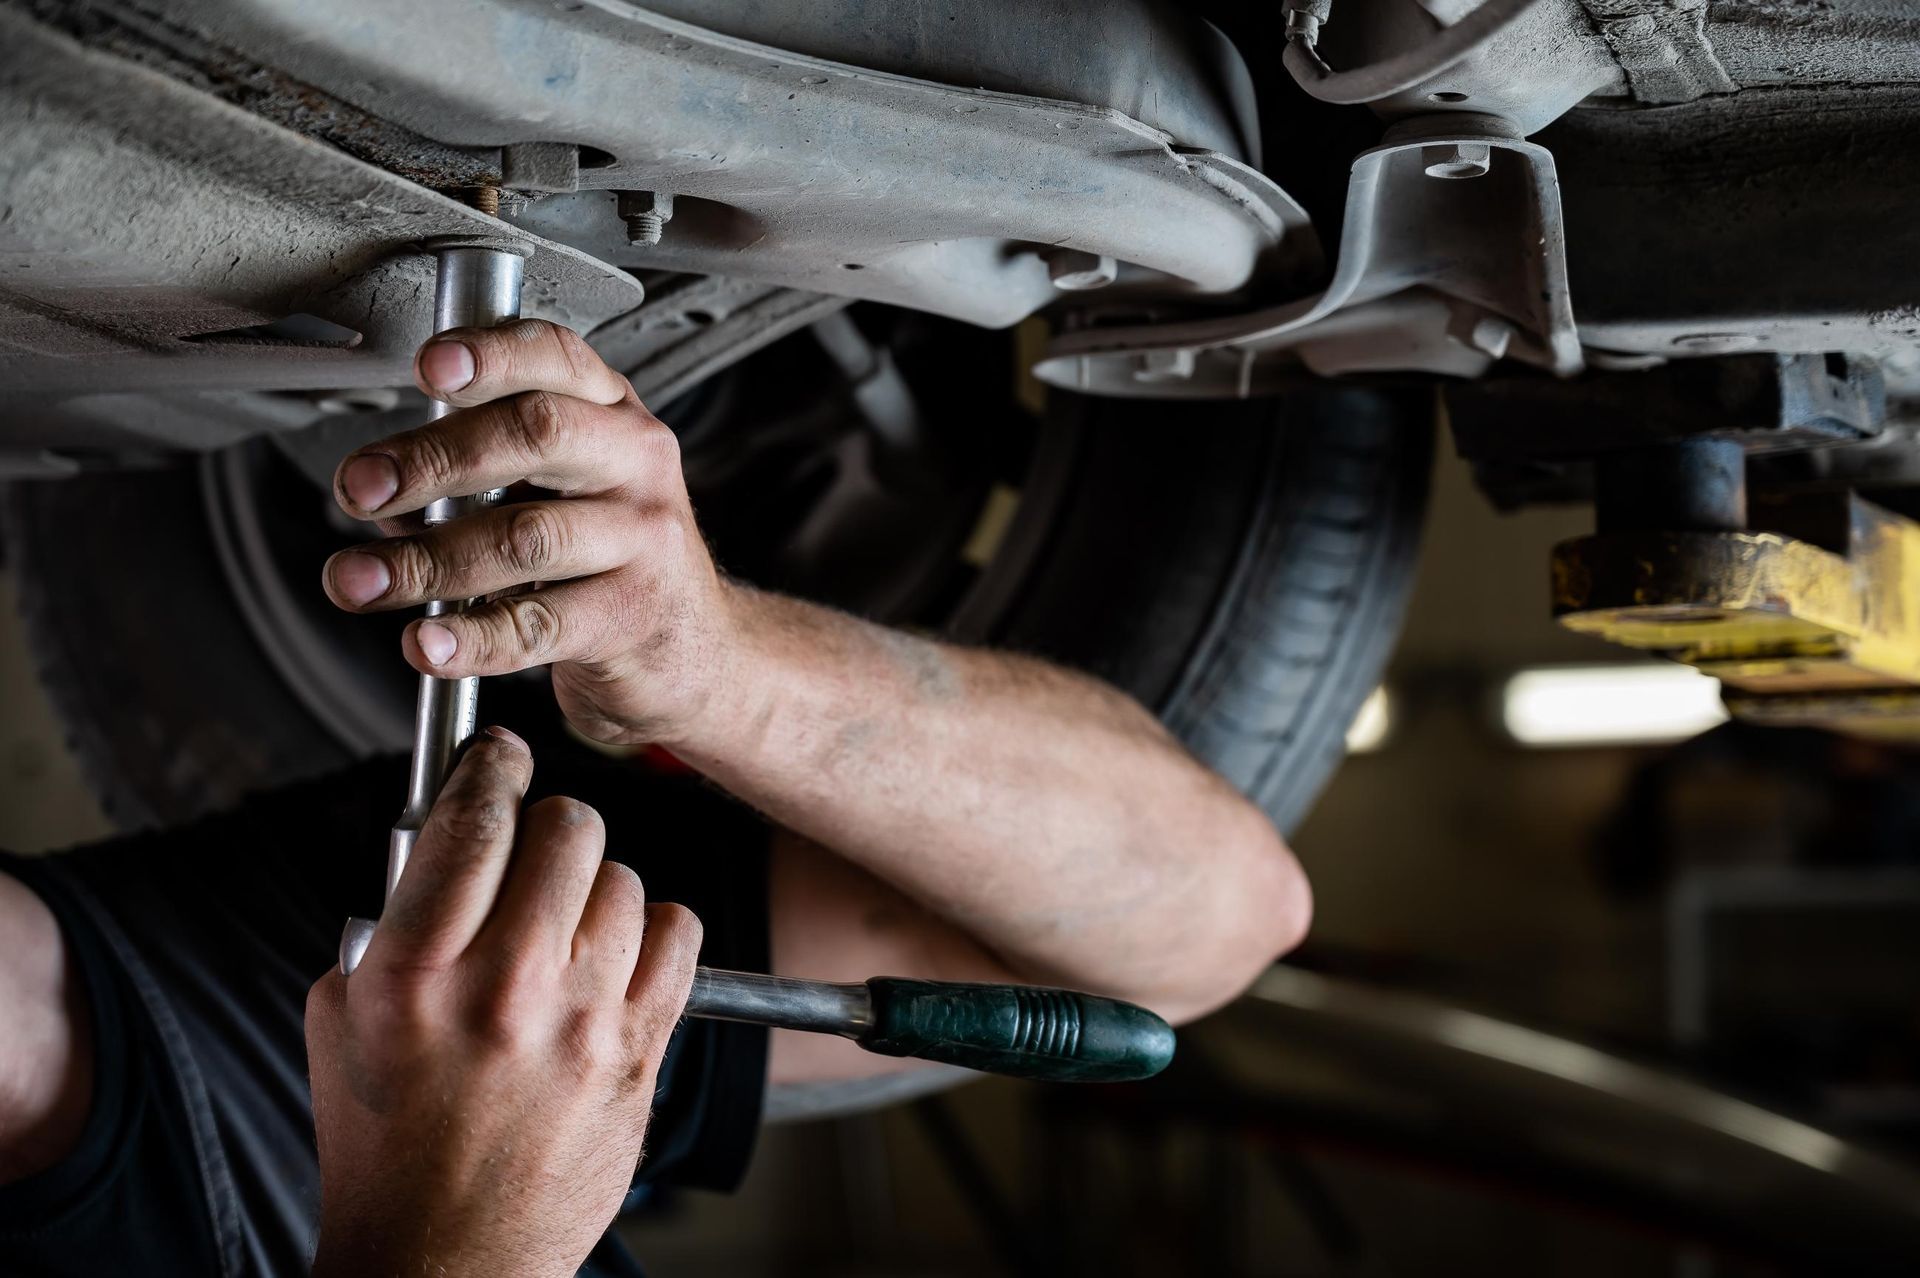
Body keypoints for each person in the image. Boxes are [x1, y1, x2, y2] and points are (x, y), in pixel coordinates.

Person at [0, 319, 1312, 1275]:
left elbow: (1204, 921)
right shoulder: (424, 1044)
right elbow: (1204, 930)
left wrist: (715, 673)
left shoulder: (382, 1046)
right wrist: (716, 670)